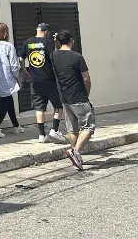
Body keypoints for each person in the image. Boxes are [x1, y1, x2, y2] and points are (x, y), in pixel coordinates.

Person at [52, 29, 96, 171]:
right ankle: (75, 151)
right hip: (78, 96)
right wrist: (86, 93)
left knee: (72, 129)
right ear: (72, 41)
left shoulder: (54, 55)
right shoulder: (77, 57)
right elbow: (86, 78)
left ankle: (76, 155)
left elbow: (56, 50)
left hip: (65, 98)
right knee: (88, 127)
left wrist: (56, 41)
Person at [22, 23, 66, 144]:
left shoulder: (28, 42)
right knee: (58, 106)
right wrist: (56, 41)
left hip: (35, 80)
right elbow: (55, 55)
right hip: (49, 79)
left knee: (39, 108)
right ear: (46, 32)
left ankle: (42, 135)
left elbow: (21, 58)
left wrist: (25, 71)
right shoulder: (48, 42)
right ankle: (54, 130)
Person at [0, 23, 24, 137]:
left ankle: (16, 125)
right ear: (5, 33)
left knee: (8, 100)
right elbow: (14, 65)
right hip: (7, 78)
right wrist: (18, 79)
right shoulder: (9, 46)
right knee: (5, 101)